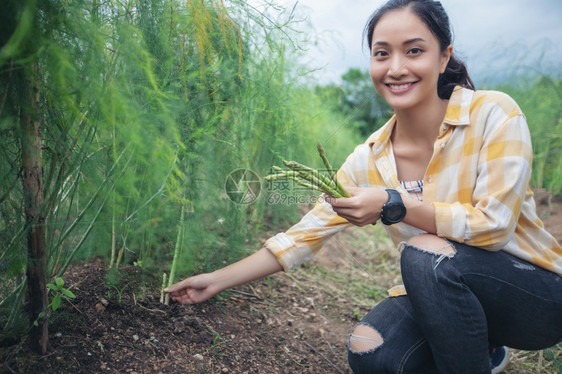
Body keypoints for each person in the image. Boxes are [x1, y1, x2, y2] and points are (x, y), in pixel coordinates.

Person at [165, 0, 562, 372]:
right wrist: (215, 281)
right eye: (382, 53)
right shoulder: (368, 159)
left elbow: (494, 226)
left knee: (423, 254)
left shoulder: (493, 113)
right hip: (444, 291)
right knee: (370, 351)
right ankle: (479, 351)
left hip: (534, 296)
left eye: (414, 51)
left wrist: (397, 204)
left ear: (444, 57)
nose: (396, 68)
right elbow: (302, 237)